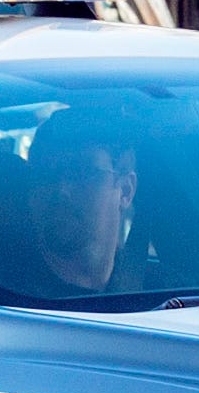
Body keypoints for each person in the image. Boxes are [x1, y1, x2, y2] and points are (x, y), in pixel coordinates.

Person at [21, 105, 141, 296]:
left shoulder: (168, 295)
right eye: (45, 174)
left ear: (125, 190)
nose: (61, 189)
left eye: (81, 173)